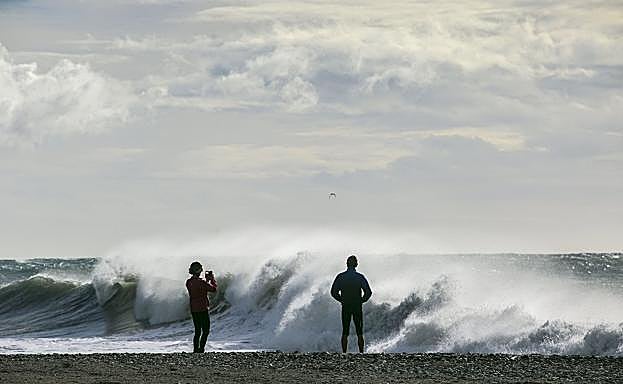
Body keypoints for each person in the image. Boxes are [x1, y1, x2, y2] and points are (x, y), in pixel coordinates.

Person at [330, 255, 372, 353]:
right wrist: (362, 300)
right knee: (359, 331)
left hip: (346, 306)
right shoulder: (360, 277)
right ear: (356, 264)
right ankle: (361, 352)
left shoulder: (341, 277)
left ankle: (344, 353)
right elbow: (368, 292)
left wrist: (341, 300)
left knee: (345, 331)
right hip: (357, 305)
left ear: (347, 264)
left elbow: (333, 292)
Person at [186, 261, 218, 353]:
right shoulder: (201, 282)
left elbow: (202, 288)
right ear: (198, 270)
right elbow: (213, 289)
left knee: (197, 331)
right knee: (205, 330)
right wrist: (212, 279)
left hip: (193, 308)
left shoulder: (189, 282)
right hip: (202, 308)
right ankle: (201, 349)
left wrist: (206, 281)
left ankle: (196, 349)